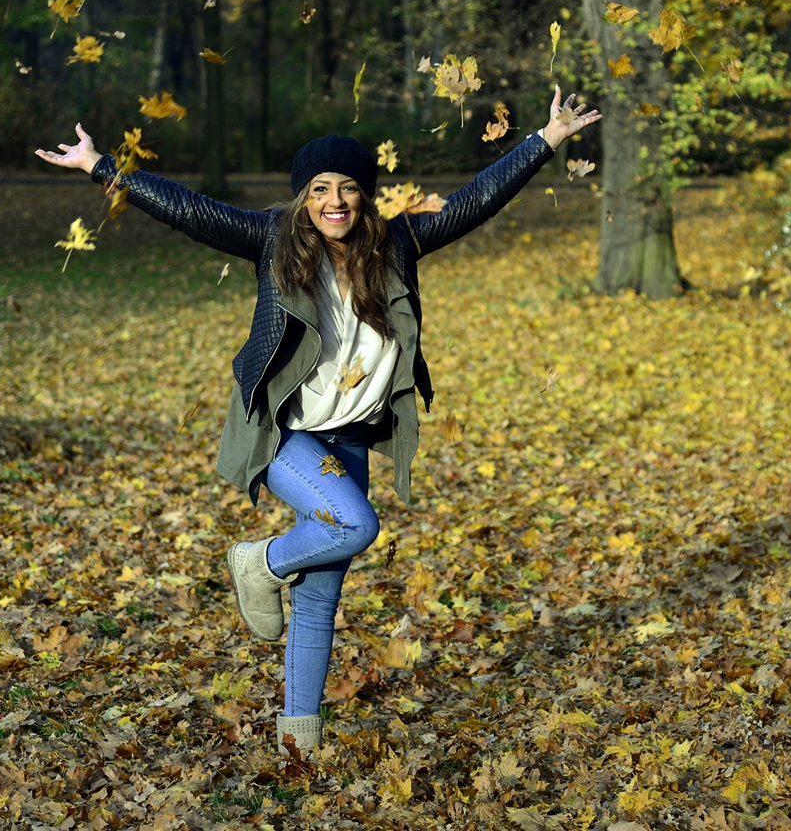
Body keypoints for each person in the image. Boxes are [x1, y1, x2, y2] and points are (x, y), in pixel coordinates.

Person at [35, 87, 600, 757]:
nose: (334, 202)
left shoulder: (398, 244)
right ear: (303, 196)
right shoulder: (270, 240)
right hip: (286, 435)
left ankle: (298, 741)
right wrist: (105, 168)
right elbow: (189, 210)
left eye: (349, 189)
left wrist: (545, 140)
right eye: (320, 189)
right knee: (357, 525)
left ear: (366, 195)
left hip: (351, 441)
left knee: (319, 599)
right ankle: (259, 559)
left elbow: (475, 201)